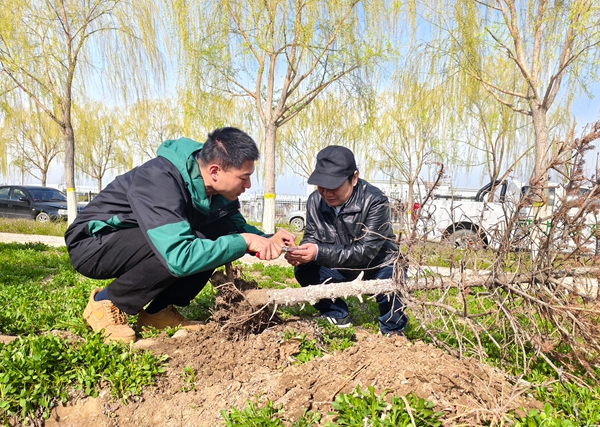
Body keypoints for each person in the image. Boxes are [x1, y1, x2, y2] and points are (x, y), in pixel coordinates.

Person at [65, 127, 295, 343]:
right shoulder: (159, 179)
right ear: (215, 171)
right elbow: (178, 255)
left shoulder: (217, 191)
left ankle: (158, 313)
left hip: (142, 238)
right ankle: (106, 301)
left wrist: (267, 239)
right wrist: (243, 241)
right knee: (188, 247)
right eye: (243, 178)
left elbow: (234, 228)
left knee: (212, 238)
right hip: (95, 243)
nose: (248, 185)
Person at [285, 146, 408, 336]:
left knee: (393, 275)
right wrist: (302, 253)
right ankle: (336, 313)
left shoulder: (375, 201)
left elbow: (365, 251)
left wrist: (318, 252)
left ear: (354, 177)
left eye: (333, 186)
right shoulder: (314, 201)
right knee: (305, 270)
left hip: (378, 261)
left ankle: (392, 330)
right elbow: (312, 235)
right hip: (338, 262)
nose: (326, 193)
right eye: (321, 186)